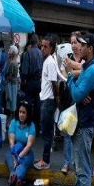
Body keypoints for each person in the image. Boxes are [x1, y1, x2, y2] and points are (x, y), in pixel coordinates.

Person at [58, 33, 94, 186]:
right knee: (79, 166)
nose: (79, 48)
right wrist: (76, 84)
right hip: (80, 123)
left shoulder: (92, 70)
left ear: (90, 48)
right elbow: (78, 89)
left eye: (82, 45)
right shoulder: (87, 66)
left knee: (83, 170)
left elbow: (76, 94)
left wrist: (71, 79)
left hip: (84, 125)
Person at [59, 31, 84, 174]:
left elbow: (83, 75)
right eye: (72, 43)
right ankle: (66, 162)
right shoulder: (66, 57)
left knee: (78, 133)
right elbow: (63, 75)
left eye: (76, 42)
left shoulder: (85, 60)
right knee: (68, 131)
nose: (74, 45)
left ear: (82, 44)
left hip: (80, 100)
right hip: (68, 98)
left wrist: (71, 72)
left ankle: (76, 162)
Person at [34, 34, 58, 170]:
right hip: (46, 100)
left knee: (47, 133)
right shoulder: (48, 60)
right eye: (41, 46)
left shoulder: (49, 62)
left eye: (45, 46)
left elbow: (54, 83)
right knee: (46, 133)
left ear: (51, 48)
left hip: (48, 101)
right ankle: (45, 159)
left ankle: (46, 162)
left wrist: (56, 100)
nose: (42, 48)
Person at [6, 102, 36, 186]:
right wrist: (14, 157)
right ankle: (16, 183)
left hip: (26, 153)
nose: (21, 115)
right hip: (13, 151)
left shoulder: (31, 125)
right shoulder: (14, 123)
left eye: (24, 112)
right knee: (12, 165)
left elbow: (29, 145)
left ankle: (14, 179)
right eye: (20, 112)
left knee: (22, 164)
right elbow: (11, 142)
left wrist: (19, 157)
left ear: (27, 114)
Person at [21, 34, 43, 132]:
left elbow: (24, 71)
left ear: (30, 42)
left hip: (30, 81)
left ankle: (28, 125)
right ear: (37, 42)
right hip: (38, 81)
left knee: (28, 103)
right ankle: (37, 127)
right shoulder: (41, 53)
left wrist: (23, 81)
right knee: (38, 104)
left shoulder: (28, 53)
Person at [4, 45, 19, 124]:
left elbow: (8, 76)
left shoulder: (11, 63)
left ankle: (9, 122)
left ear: (12, 53)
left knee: (10, 102)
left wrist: (6, 76)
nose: (8, 52)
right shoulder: (15, 62)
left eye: (9, 51)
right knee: (13, 103)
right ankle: (12, 121)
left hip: (11, 85)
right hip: (14, 84)